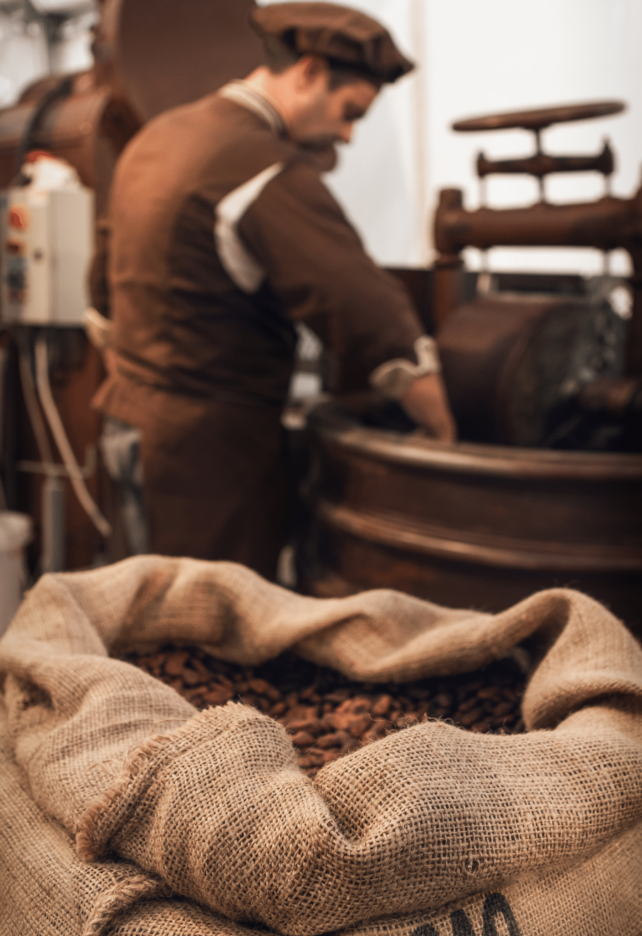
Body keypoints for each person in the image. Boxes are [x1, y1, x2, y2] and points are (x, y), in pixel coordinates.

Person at [92, 1, 457, 578]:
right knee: (211, 634)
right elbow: (362, 306)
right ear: (309, 72)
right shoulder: (261, 166)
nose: (347, 135)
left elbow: (103, 281)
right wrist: (442, 425)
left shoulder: (160, 136)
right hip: (211, 454)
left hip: (127, 421)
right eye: (350, 111)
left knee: (142, 607)